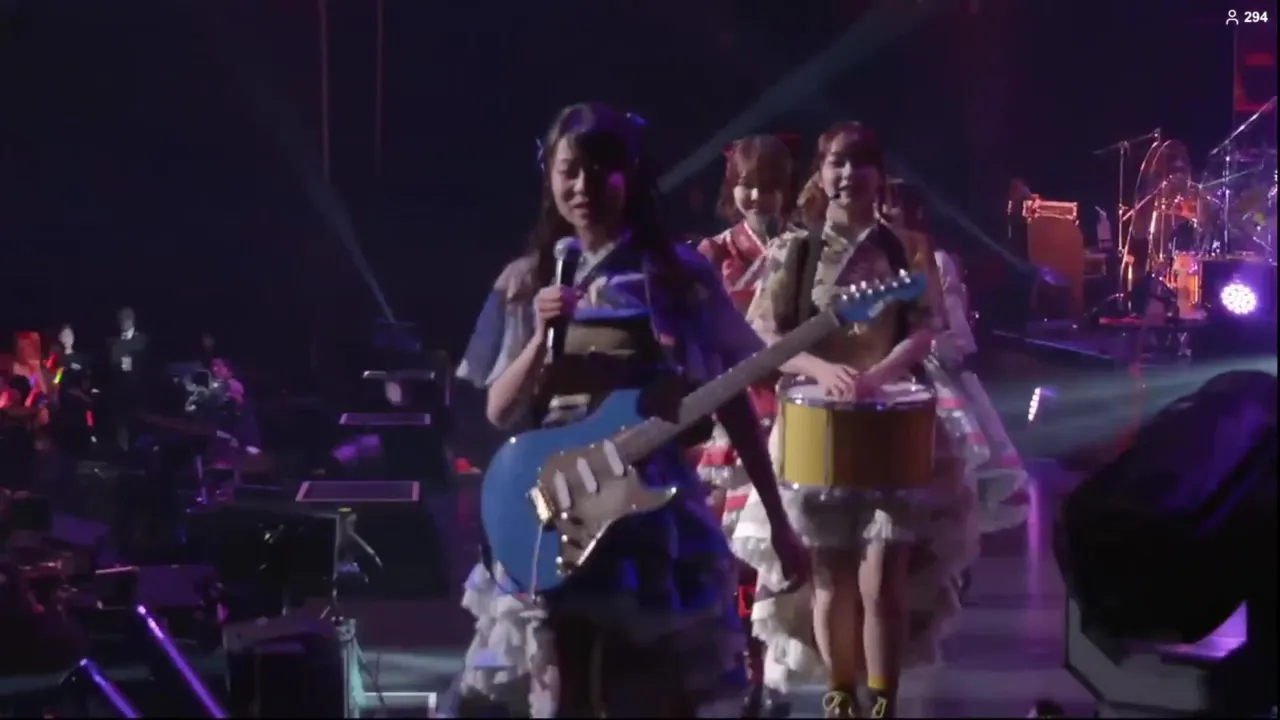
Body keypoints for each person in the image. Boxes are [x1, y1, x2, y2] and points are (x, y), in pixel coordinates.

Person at [458, 102, 809, 718]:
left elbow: (731, 396)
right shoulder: (527, 279)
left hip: (652, 508)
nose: (583, 186)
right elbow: (498, 410)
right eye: (569, 170)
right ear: (549, 176)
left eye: (601, 168)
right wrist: (542, 334)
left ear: (632, 175)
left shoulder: (677, 276)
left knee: (652, 688)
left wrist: (778, 521)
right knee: (560, 684)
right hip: (553, 505)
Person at [732, 121, 979, 718]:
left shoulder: (907, 247)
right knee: (830, 574)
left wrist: (879, 375)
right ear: (820, 173)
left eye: (857, 162)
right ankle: (840, 692)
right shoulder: (797, 248)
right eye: (835, 163)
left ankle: (883, 698)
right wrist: (820, 370)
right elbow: (765, 335)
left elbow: (924, 328)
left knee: (884, 575)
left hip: (890, 421)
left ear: (878, 172)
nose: (846, 175)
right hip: (815, 424)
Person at [695, 133, 796, 716]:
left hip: (787, 406)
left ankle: (770, 669)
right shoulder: (713, 253)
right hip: (730, 410)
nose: (756, 196)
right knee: (731, 550)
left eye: (768, 185)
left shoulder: (804, 248)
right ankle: (738, 663)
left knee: (777, 549)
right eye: (746, 184)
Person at [107, 306, 150, 458]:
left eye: (127, 318)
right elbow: (111, 365)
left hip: (139, 390)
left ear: (133, 320)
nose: (123, 322)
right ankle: (123, 454)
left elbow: (147, 364)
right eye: (121, 319)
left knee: (139, 423)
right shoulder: (113, 343)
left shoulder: (142, 341)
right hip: (120, 391)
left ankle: (139, 453)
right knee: (121, 424)